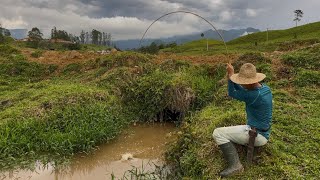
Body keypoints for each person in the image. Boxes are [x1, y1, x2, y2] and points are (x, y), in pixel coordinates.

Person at [212, 63, 273, 177]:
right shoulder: (265, 89)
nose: (242, 84)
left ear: (249, 83)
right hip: (263, 132)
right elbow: (244, 91)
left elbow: (232, 93)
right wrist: (232, 77)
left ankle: (235, 165)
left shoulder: (252, 96)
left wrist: (230, 75)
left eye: (243, 82)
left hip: (256, 135)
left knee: (217, 133)